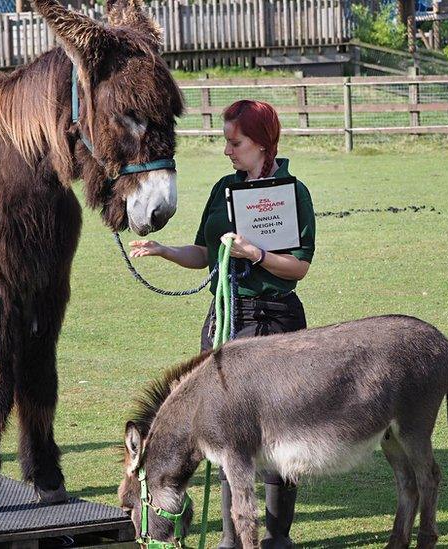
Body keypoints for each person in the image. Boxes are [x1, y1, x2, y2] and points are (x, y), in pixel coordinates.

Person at [128, 99, 315, 549]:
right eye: (227, 142)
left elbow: (299, 268)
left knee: (278, 431)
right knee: (230, 435)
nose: (228, 151)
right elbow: (205, 254)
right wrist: (166, 251)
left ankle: (277, 537)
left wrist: (259, 256)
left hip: (275, 323)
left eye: (236, 142)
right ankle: (232, 539)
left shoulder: (292, 191)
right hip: (227, 322)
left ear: (262, 143)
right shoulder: (223, 190)